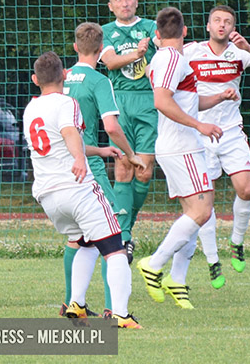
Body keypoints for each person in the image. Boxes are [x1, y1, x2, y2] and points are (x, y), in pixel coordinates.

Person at [23, 51, 140, 328]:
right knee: (116, 248)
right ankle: (121, 315)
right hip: (75, 188)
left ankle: (76, 304)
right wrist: (79, 159)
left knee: (85, 242)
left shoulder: (31, 108)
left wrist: (99, 151)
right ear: (64, 75)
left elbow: (57, 142)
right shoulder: (67, 102)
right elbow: (69, 133)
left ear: (34, 79)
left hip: (48, 195)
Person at [135, 7, 230, 309]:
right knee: (202, 212)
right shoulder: (172, 59)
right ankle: (155, 263)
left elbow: (184, 101)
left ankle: (177, 279)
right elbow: (162, 101)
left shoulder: (166, 58)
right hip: (181, 145)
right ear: (186, 32)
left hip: (181, 144)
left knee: (195, 213)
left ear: (157, 35)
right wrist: (200, 125)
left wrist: (218, 97)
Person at [181, 5, 250, 287]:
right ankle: (212, 260)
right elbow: (164, 63)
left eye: (227, 21)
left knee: (246, 189)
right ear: (208, 26)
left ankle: (237, 242)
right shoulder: (191, 52)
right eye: (217, 20)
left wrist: (248, 46)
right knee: (204, 202)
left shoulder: (239, 51)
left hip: (232, 132)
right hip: (200, 134)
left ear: (233, 27)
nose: (222, 25)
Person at [62, 22, 146, 317]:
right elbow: (111, 126)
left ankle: (72, 302)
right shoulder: (99, 81)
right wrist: (130, 153)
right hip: (89, 166)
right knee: (115, 236)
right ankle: (115, 310)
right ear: (100, 51)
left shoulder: (62, 78)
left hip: (62, 166)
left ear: (75, 47)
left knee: (80, 237)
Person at [100, 0, 158, 262]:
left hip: (148, 101)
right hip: (119, 103)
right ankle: (123, 238)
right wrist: (136, 53)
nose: (124, 3)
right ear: (110, 6)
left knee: (144, 172)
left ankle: (126, 227)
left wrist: (154, 45)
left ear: (136, 1)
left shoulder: (150, 27)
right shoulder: (105, 32)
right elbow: (110, 62)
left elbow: (169, 48)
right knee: (122, 168)